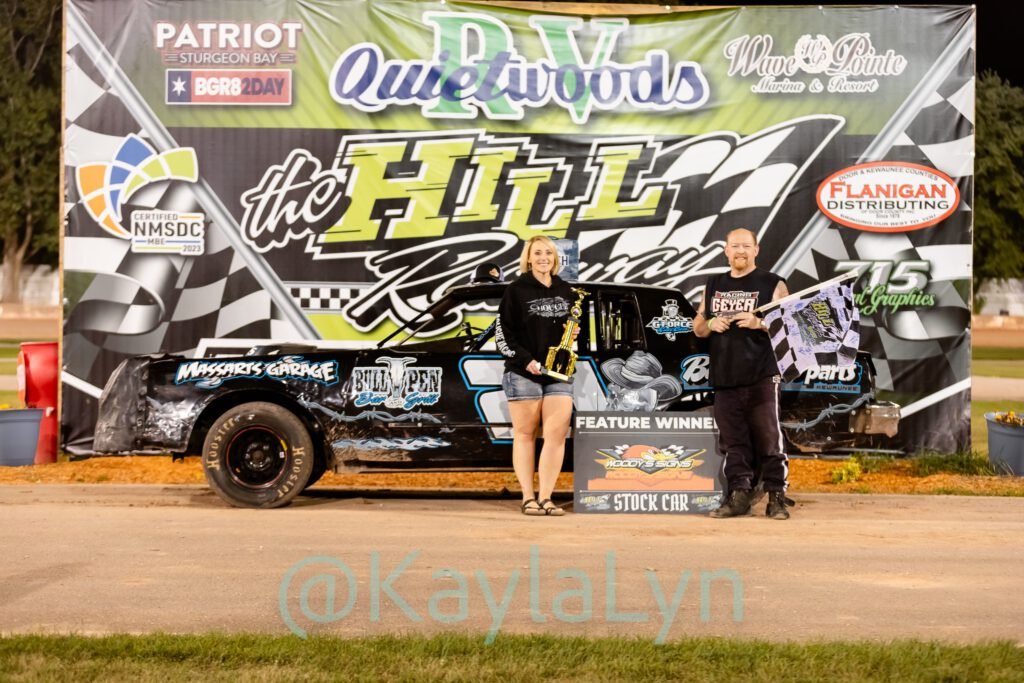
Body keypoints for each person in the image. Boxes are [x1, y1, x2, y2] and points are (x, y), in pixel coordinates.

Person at [694, 228, 792, 519]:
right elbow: (698, 326)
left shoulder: (773, 283)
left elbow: (791, 324)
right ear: (725, 250)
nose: (740, 251)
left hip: (762, 374)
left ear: (756, 250)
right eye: (734, 246)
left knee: (769, 440)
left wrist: (760, 322)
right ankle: (738, 496)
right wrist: (711, 324)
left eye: (745, 246)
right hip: (725, 376)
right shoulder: (713, 284)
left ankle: (777, 497)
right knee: (733, 443)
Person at [495, 236, 576, 516]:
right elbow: (503, 334)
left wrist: (574, 334)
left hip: (559, 373)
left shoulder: (566, 290)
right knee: (526, 434)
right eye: (537, 253)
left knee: (556, 436)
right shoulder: (516, 290)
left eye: (548, 253)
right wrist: (526, 360)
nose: (544, 258)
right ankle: (528, 497)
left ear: (555, 258)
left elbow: (573, 329)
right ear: (528, 258)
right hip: (523, 372)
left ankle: (546, 497)